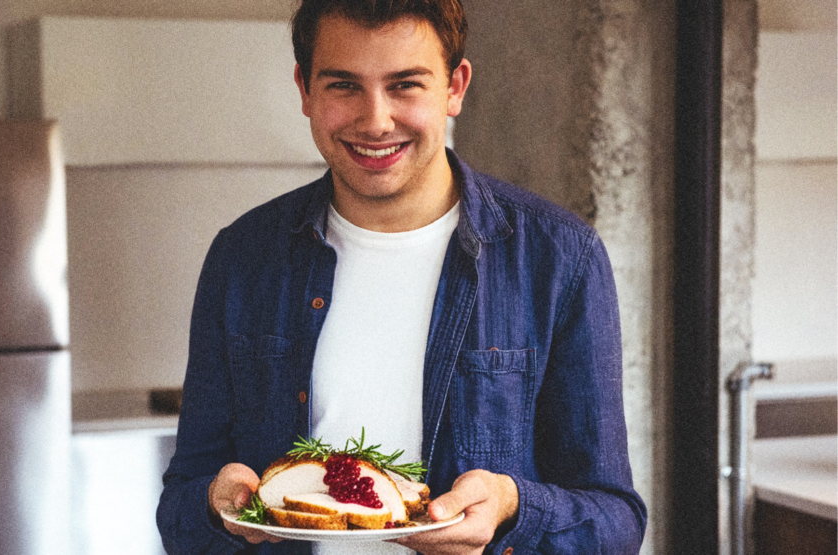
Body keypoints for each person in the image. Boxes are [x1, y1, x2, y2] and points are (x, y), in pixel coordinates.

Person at [157, 0, 647, 553]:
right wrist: (214, 504)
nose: (375, 120)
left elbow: (615, 522)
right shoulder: (242, 257)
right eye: (343, 85)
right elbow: (180, 505)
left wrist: (514, 508)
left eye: (405, 85)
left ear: (455, 87)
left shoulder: (559, 258)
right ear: (304, 90)